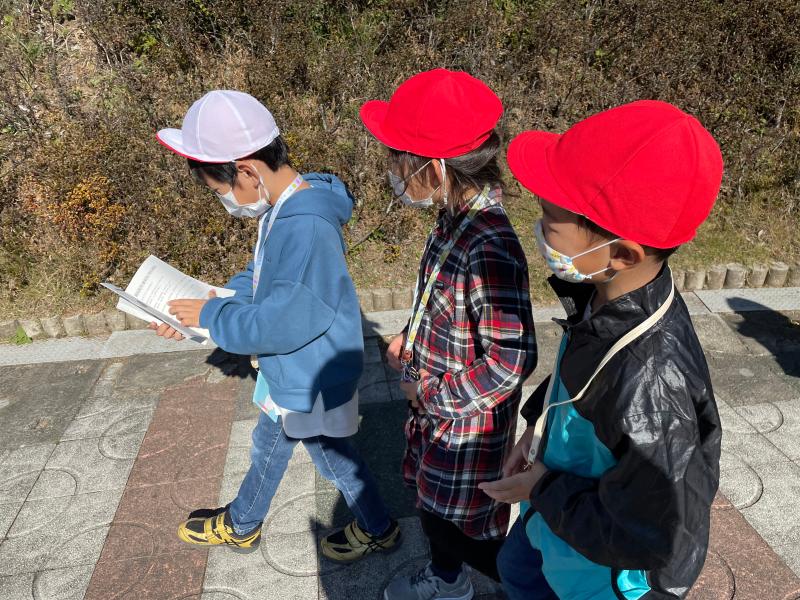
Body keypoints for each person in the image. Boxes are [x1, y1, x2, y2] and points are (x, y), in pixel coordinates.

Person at [480, 100, 724, 599]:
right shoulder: (608, 297)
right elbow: (582, 379)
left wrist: (541, 488)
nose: (539, 227)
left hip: (601, 573)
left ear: (621, 253)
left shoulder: (651, 382)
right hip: (561, 515)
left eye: (551, 217)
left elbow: (650, 534)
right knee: (516, 568)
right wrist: (536, 429)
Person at [153, 89, 400, 561]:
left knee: (332, 459)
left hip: (309, 375)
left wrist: (211, 317)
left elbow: (283, 319)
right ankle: (244, 522)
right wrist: (214, 302)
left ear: (246, 170)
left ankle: (379, 527)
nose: (226, 201)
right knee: (275, 445)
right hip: (296, 369)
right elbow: (264, 275)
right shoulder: (285, 207)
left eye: (221, 190)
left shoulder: (302, 226)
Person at [360, 69, 537, 600]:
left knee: (453, 523)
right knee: (432, 508)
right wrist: (410, 337)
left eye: (399, 160)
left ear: (435, 167)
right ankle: (446, 580)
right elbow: (447, 304)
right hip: (436, 415)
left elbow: (511, 361)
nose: (394, 172)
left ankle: (538, 589)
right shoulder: (452, 219)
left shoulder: (489, 244)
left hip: (463, 425)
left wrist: (431, 393)